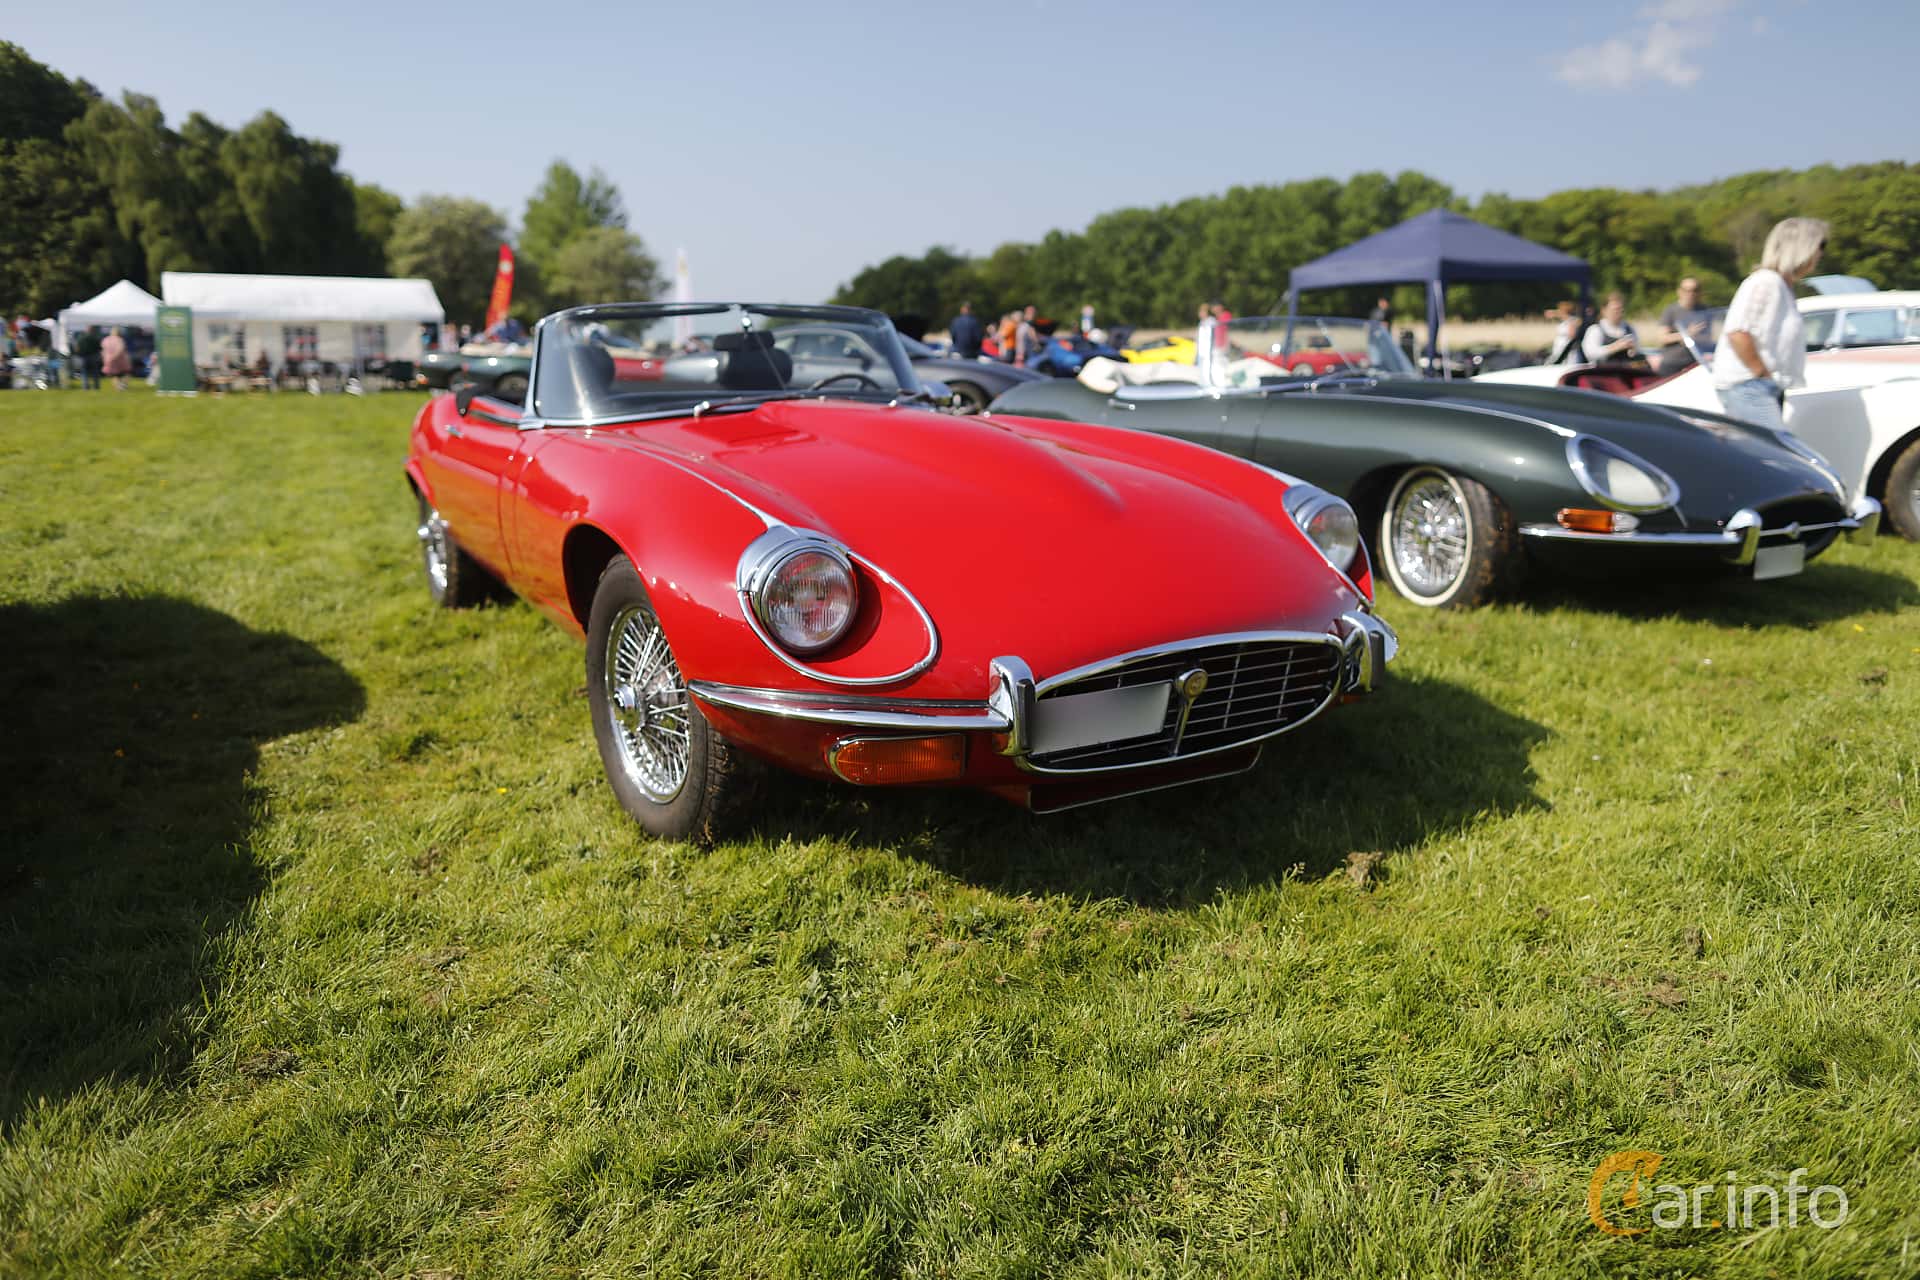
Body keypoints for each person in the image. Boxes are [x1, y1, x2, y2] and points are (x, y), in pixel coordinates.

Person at [1714, 217, 1826, 430]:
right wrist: (1762, 374)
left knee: (1760, 455)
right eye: (1819, 246)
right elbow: (1738, 331)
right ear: (1801, 247)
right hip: (1749, 386)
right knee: (1774, 456)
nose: (1820, 253)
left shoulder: (1782, 286)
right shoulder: (1766, 282)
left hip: (1760, 386)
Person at [1653, 277, 1711, 374]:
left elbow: (1707, 337)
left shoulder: (1704, 310)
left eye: (1695, 290)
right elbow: (1662, 338)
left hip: (1695, 363)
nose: (1691, 294)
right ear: (1679, 292)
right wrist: (1686, 334)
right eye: (1687, 290)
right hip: (1672, 364)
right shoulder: (1670, 310)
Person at [1581, 293, 1639, 363]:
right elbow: (1590, 354)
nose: (1619, 313)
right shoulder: (1595, 330)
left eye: (1621, 310)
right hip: (1601, 372)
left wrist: (1633, 351)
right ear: (1604, 310)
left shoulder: (1630, 329)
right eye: (1615, 310)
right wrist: (1615, 347)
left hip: (1625, 371)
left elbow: (1636, 352)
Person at [100, 326, 131, 390]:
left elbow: (103, 350)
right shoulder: (119, 340)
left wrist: (105, 358)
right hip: (120, 359)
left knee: (114, 375)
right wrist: (115, 356)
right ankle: (123, 385)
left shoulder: (105, 339)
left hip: (109, 359)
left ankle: (118, 387)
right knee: (126, 373)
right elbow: (121, 349)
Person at [74, 325, 103, 390]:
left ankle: (85, 386)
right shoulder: (95, 338)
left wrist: (79, 354)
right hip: (93, 357)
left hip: (84, 357)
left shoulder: (81, 338)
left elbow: (77, 348)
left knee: (85, 373)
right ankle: (96, 386)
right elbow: (99, 348)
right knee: (95, 373)